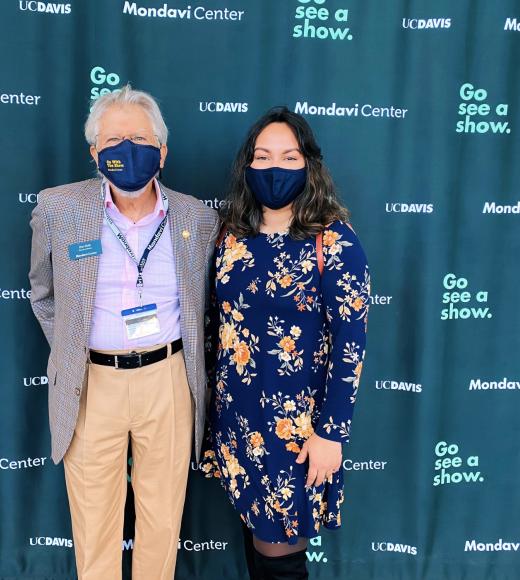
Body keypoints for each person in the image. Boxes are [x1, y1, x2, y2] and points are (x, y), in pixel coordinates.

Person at [29, 85, 219, 580]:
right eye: (113, 139)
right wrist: (74, 351)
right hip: (92, 382)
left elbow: (207, 305)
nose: (126, 149)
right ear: (94, 152)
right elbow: (43, 293)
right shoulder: (58, 209)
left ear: (162, 151)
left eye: (139, 137)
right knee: (94, 527)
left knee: (162, 521)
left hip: (169, 379)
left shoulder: (197, 217)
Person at [203, 107, 370, 579]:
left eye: (289, 156)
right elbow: (218, 325)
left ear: (309, 166)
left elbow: (350, 343)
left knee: (281, 564)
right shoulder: (231, 235)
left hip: (296, 434)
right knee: (256, 550)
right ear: (248, 166)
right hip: (236, 424)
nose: (275, 166)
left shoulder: (335, 241)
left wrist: (332, 433)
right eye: (263, 155)